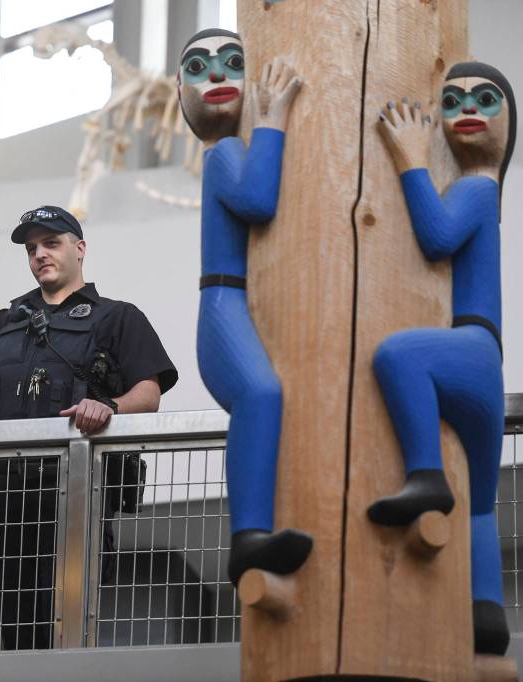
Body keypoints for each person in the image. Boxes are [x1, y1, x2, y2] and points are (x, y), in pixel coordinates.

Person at [0, 206, 177, 650]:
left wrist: (109, 407)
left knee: (69, 633)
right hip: (6, 501)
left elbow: (149, 393)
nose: (40, 254)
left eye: (51, 243)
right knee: (17, 637)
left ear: (80, 249)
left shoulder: (118, 317)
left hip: (77, 500)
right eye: (31, 248)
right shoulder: (3, 322)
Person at [371, 61, 517, 655]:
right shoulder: (482, 192)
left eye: (484, 100)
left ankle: (426, 476)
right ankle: (488, 615)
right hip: (486, 368)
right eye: (452, 102)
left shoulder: (478, 187)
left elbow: (435, 236)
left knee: (400, 354)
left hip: (474, 347)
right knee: (481, 506)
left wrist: (410, 158)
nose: (467, 111)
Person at [176, 28, 312, 586]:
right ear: (179, 93)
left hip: (238, 301)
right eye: (199, 67)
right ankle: (248, 538)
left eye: (232, 63)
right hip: (223, 304)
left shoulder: (229, 151)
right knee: (260, 393)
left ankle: (255, 531)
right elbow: (258, 199)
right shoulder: (225, 152)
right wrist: (275, 121)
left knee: (267, 398)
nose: (215, 74)